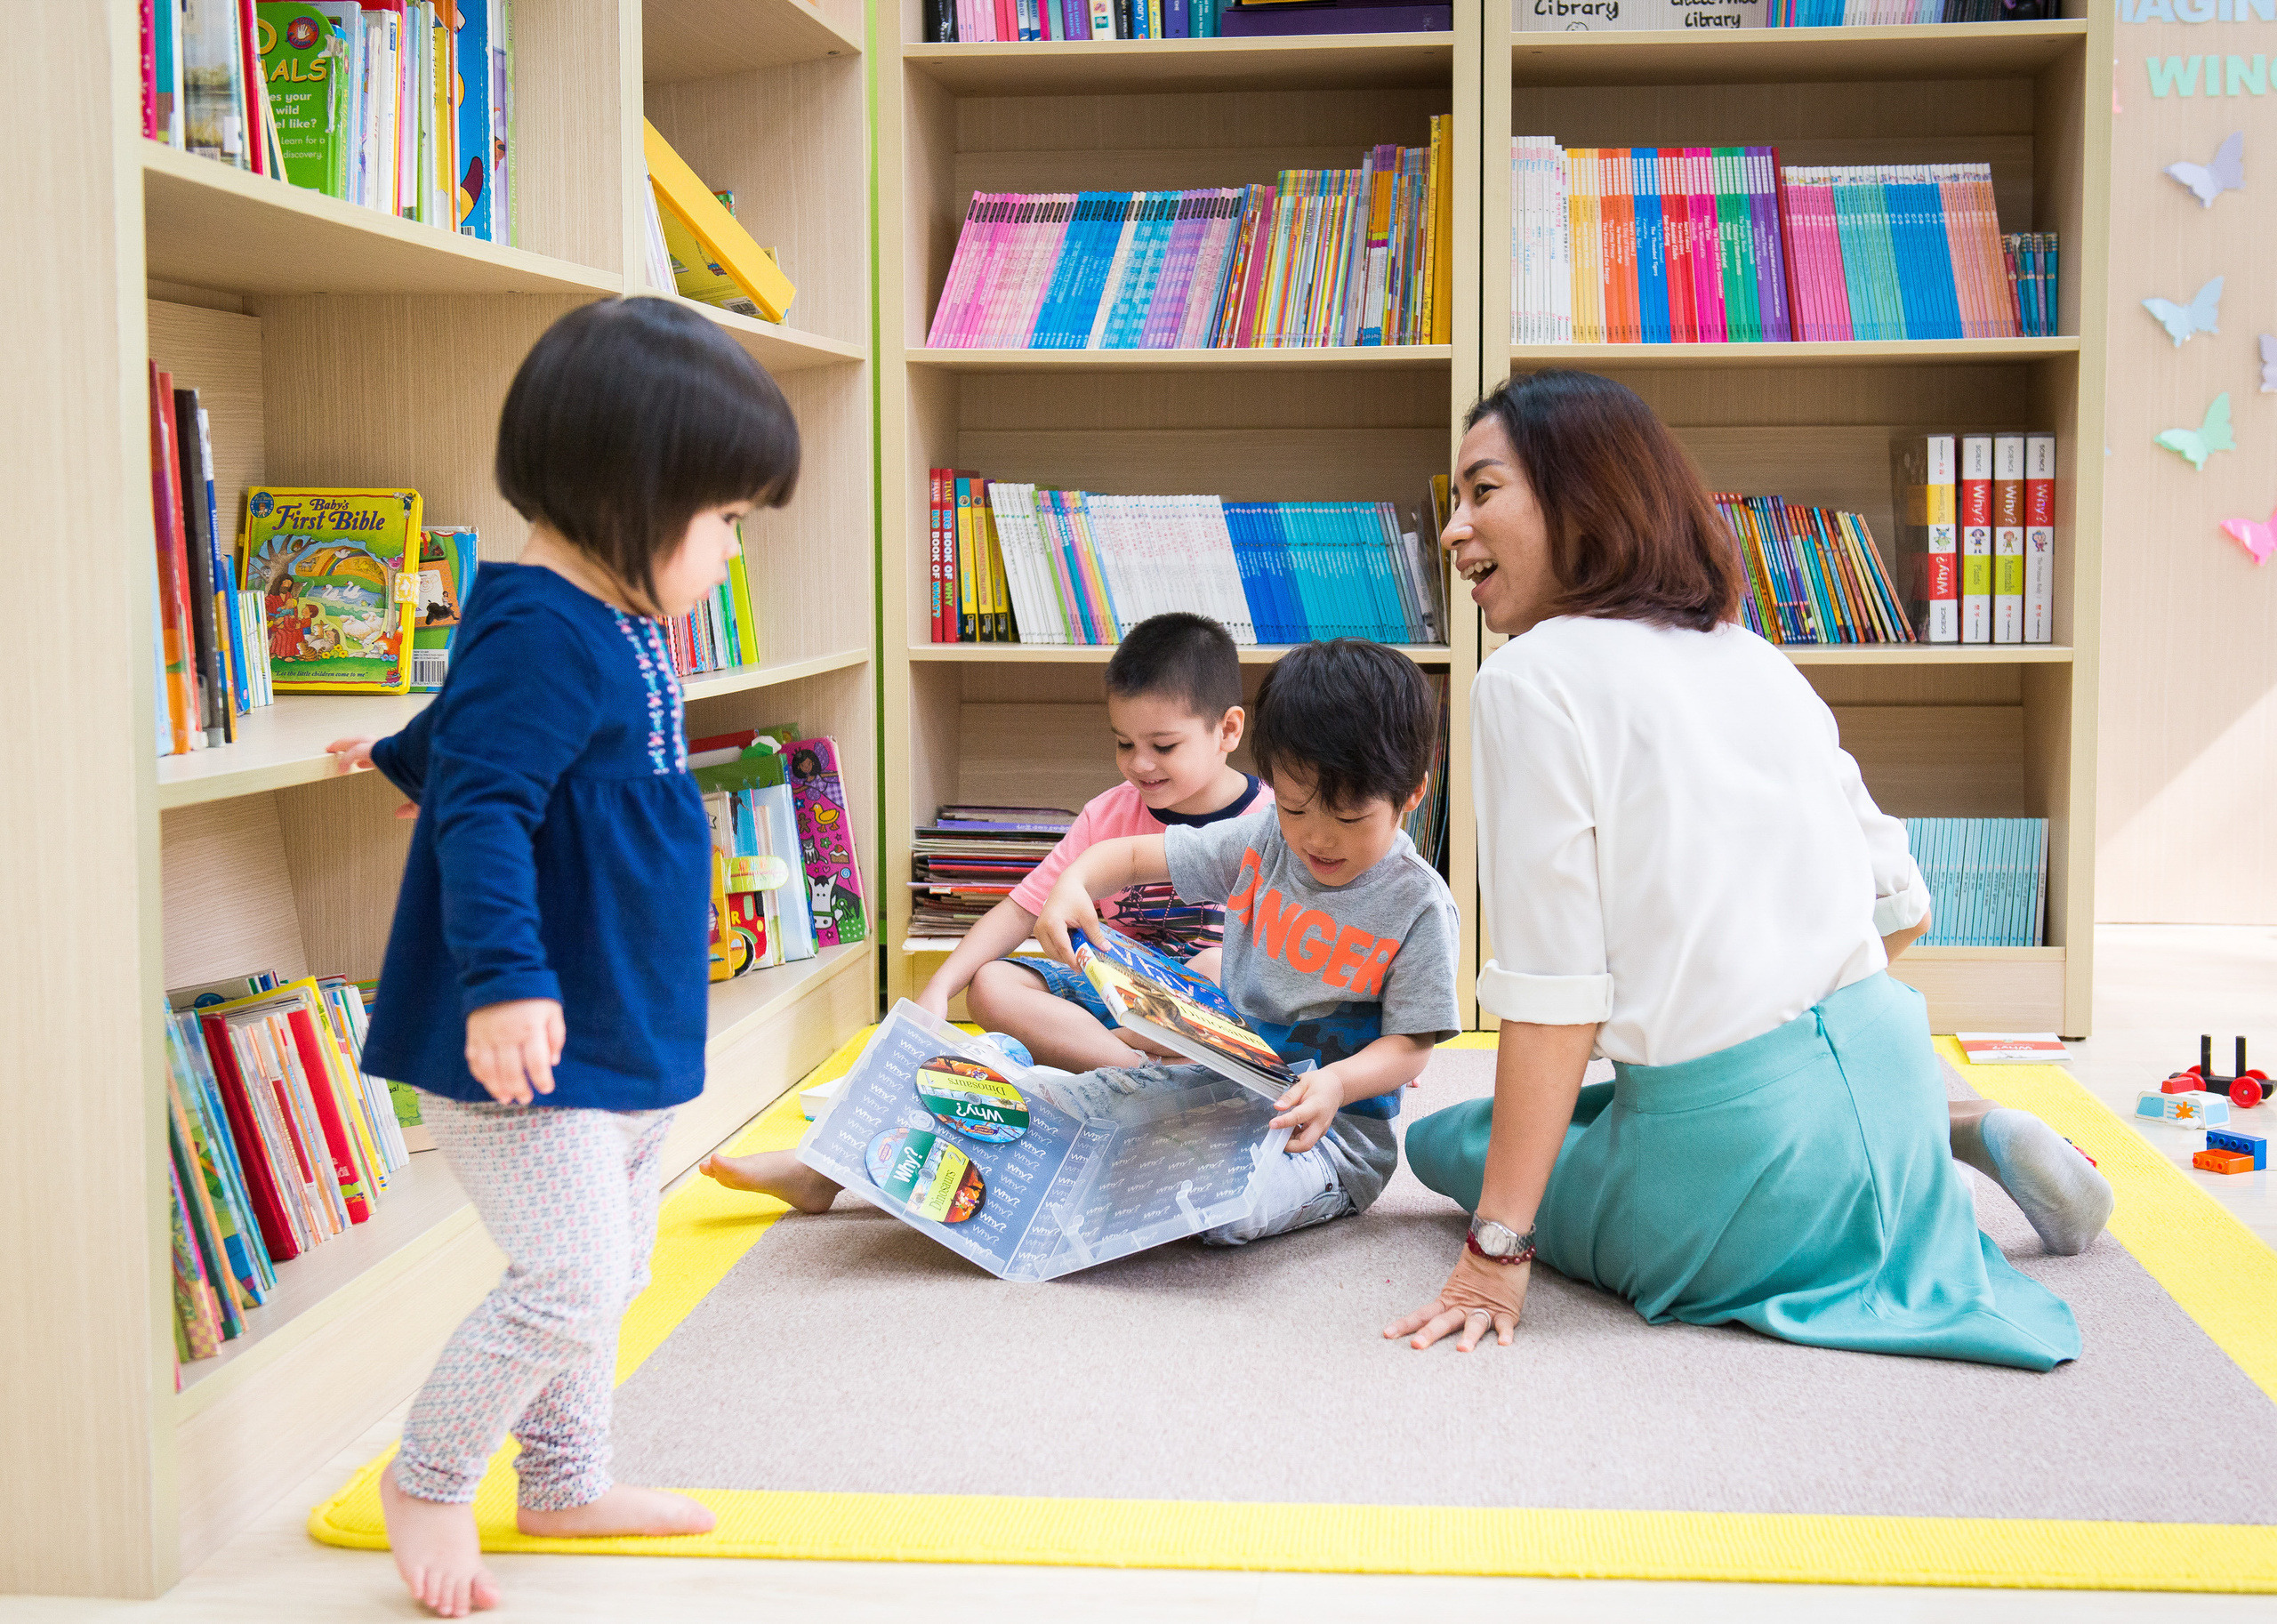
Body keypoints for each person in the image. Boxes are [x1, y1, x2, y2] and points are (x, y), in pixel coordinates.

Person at [1388, 369, 2112, 1364]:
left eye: (1481, 491)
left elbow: (1553, 993)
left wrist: (1493, 1253)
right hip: (1887, 1074)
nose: (1453, 530)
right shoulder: (1751, 653)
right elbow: (1900, 900)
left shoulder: (1528, 678)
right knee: (1599, 1108)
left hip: (1742, 1174)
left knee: (1450, 1141)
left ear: (1582, 492)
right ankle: (1955, 1125)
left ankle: (1929, 1135)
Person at [323, 297, 801, 1617]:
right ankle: (428, 1474)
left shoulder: (602, 608)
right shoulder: (546, 620)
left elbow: (482, 735)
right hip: (531, 1034)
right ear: (630, 496)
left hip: (616, 1017)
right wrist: (507, 979)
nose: (728, 553)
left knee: (618, 1269)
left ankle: (566, 1477)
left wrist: (406, 750)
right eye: (725, 524)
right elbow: (486, 804)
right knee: (572, 1280)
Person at [699, 611, 1271, 1209]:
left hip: (1200, 1027)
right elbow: (1022, 908)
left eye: (1164, 746)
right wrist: (941, 987)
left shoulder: (1273, 824)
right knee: (993, 984)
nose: (1140, 765)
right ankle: (1124, 1072)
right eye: (1124, 744)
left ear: (1228, 730)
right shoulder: (1110, 813)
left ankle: (827, 1171)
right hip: (1106, 1015)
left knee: (1215, 963)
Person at [1028, 639, 1462, 1244]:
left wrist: (1336, 1083)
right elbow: (1129, 856)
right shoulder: (1268, 839)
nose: (1317, 839)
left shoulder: (1418, 905)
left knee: (1221, 1210)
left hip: (1332, 1139)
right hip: (1227, 1090)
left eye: (1349, 818)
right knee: (1070, 1112)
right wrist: (1074, 881)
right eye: (1294, 807)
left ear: (1411, 796)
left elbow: (1411, 1048)